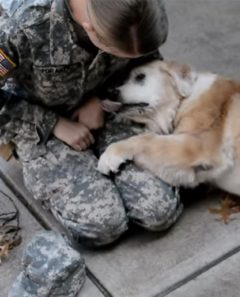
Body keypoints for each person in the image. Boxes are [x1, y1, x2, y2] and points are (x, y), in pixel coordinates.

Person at [0, 0, 183, 247]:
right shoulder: (20, 25)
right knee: (104, 226)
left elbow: (146, 62)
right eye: (117, 52)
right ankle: (21, 153)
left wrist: (102, 100)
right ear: (90, 29)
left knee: (158, 211)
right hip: (38, 121)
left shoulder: (137, 8)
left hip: (110, 102)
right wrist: (52, 123)